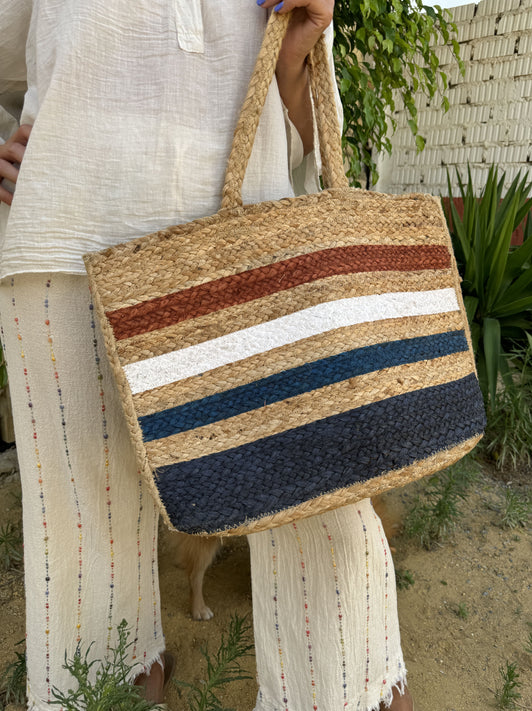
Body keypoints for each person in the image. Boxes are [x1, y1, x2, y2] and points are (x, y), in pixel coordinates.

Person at [0, 1, 414, 709]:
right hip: (65, 237)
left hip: (254, 247)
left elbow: (310, 130)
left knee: (327, 521)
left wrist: (297, 52)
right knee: (84, 558)